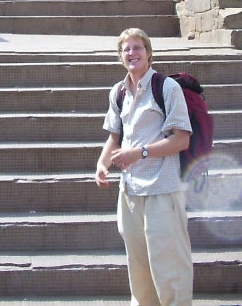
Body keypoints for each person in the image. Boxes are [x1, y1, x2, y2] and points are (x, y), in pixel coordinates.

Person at [95, 28, 193, 306]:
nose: (132, 53)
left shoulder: (166, 88)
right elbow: (115, 136)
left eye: (137, 47)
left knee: (170, 271)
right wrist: (102, 165)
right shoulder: (118, 92)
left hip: (162, 191)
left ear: (149, 52)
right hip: (130, 193)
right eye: (126, 49)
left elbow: (182, 139)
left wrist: (140, 152)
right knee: (139, 273)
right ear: (120, 56)